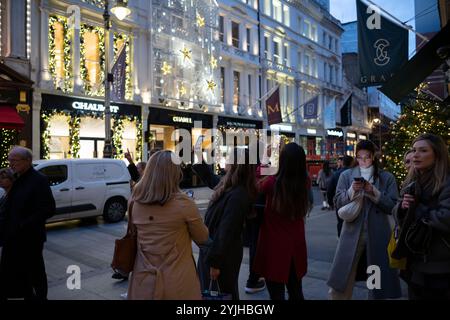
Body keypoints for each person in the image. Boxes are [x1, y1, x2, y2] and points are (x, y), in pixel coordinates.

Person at [127, 150, 209, 300]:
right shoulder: (184, 204)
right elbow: (203, 237)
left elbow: (133, 233)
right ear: (175, 173)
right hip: (178, 282)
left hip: (143, 282)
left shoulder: (134, 202)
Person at [327, 140, 401, 300]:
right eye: (360, 157)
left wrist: (374, 192)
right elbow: (338, 202)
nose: (363, 161)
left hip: (378, 233)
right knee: (343, 275)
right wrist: (351, 191)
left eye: (367, 157)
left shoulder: (386, 177)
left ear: (373, 157)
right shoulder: (347, 175)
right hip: (352, 232)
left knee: (375, 278)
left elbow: (393, 206)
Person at [393, 133, 450, 300]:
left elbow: (446, 216)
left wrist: (416, 210)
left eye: (423, 150)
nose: (415, 155)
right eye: (414, 150)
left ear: (437, 153)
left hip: (440, 266)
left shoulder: (446, 181)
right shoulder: (413, 179)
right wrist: (402, 208)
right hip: (413, 262)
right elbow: (396, 209)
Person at [253, 143, 311, 300]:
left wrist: (266, 158)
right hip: (296, 246)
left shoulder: (272, 183)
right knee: (296, 291)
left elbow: (257, 180)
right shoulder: (305, 182)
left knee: (276, 294)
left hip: (274, 247)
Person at [197, 148, 257, 300]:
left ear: (236, 163)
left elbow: (226, 231)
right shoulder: (230, 184)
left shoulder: (238, 194)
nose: (225, 159)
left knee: (222, 294)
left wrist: (215, 263)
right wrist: (197, 156)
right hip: (216, 253)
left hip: (222, 257)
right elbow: (210, 178)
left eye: (228, 157)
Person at [0, 146, 55, 300]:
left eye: (14, 160)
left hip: (30, 238)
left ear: (28, 161)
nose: (11, 164)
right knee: (16, 273)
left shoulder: (39, 180)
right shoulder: (17, 178)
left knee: (35, 272)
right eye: (9, 160)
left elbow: (49, 208)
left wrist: (23, 224)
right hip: (12, 237)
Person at [327, 156, 354, 237]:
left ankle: (341, 240)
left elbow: (330, 190)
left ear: (343, 163)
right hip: (352, 202)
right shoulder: (354, 173)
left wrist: (330, 202)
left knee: (340, 222)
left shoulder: (336, 174)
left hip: (340, 203)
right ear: (352, 163)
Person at [0, 168, 15, 248]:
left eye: (3, 178)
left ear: (11, 179)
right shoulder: (5, 194)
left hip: (10, 236)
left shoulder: (14, 195)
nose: (0, 180)